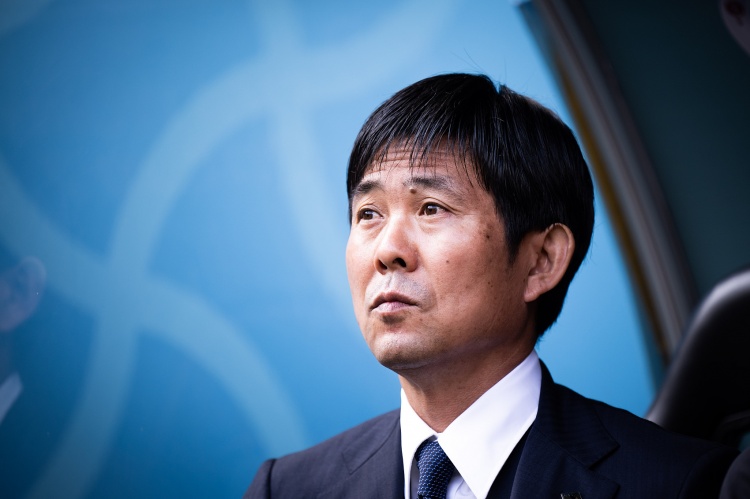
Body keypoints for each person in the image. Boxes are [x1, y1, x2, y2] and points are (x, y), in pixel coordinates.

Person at [243, 73, 737, 498]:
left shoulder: (679, 482)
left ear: (541, 261)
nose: (387, 250)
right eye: (368, 213)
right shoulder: (286, 487)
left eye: (431, 208)